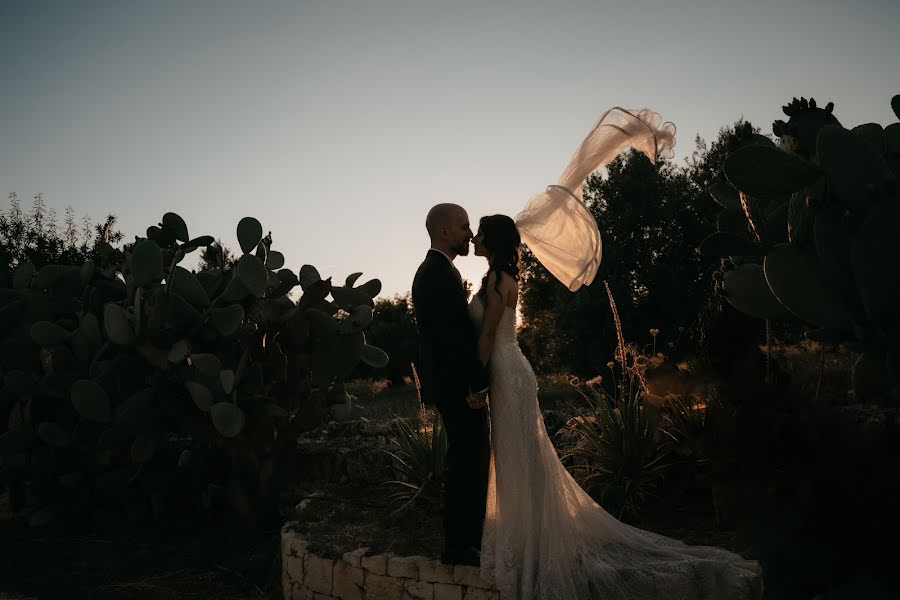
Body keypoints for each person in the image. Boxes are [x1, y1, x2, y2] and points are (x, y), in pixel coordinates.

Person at [469, 214, 763, 599]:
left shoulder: (494, 281)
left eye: (479, 233)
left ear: (492, 241)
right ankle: (528, 537)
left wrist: (475, 382)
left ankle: (523, 543)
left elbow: (489, 332)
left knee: (512, 457)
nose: (474, 238)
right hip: (516, 369)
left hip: (505, 372)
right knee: (523, 457)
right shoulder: (508, 278)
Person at [411, 203, 490, 567]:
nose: (469, 233)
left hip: (453, 383)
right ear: (444, 231)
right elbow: (453, 339)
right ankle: (459, 547)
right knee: (467, 462)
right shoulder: (436, 274)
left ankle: (467, 541)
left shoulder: (441, 271)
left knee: (469, 460)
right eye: (463, 226)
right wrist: (476, 384)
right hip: (456, 386)